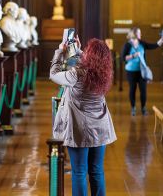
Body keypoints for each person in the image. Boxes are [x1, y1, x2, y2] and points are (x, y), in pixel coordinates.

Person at [50, 37, 117, 196]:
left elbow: (54, 74)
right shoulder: (104, 74)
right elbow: (92, 62)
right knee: (97, 170)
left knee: (79, 171)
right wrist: (77, 50)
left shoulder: (76, 74)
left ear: (90, 55)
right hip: (100, 127)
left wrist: (60, 51)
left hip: (80, 128)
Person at [121, 27, 163, 116]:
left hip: (142, 71)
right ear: (134, 34)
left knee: (143, 90)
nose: (140, 35)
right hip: (131, 71)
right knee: (132, 90)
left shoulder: (142, 43)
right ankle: (133, 108)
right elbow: (123, 58)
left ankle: (143, 108)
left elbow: (155, 45)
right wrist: (134, 55)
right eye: (139, 33)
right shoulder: (127, 45)